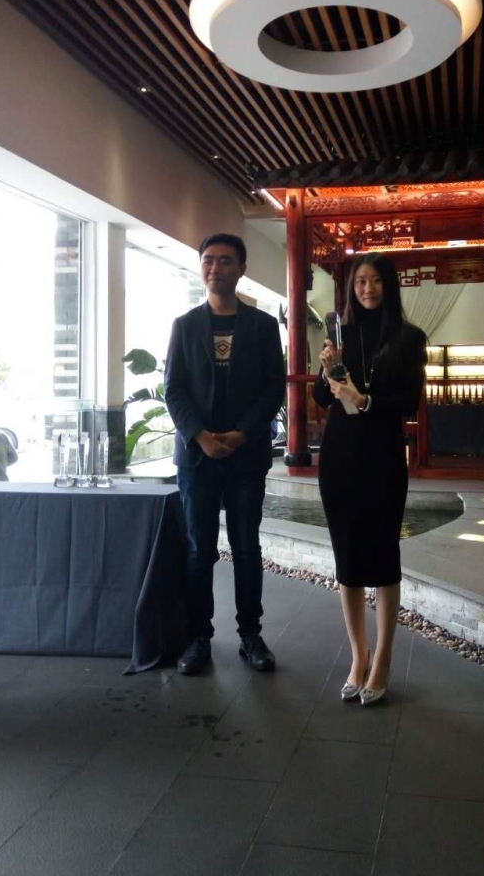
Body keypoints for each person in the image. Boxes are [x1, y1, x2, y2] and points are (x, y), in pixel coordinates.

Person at [165, 233, 286, 675]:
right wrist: (200, 436)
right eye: (209, 261)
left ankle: (251, 635)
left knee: (246, 547)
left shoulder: (262, 326)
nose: (215, 268)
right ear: (201, 268)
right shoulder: (184, 325)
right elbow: (173, 389)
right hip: (197, 458)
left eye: (225, 261)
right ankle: (198, 637)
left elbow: (273, 388)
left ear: (241, 269)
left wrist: (240, 434)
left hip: (245, 456)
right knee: (199, 549)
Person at [314, 253, 427, 706]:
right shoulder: (340, 334)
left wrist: (365, 401)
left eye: (376, 280)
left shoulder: (409, 338)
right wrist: (329, 367)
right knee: (347, 557)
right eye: (360, 281)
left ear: (389, 285)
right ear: (351, 288)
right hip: (339, 455)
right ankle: (357, 656)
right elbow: (323, 396)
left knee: (382, 555)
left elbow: (410, 401)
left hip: (382, 455)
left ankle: (382, 657)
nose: (367, 289)